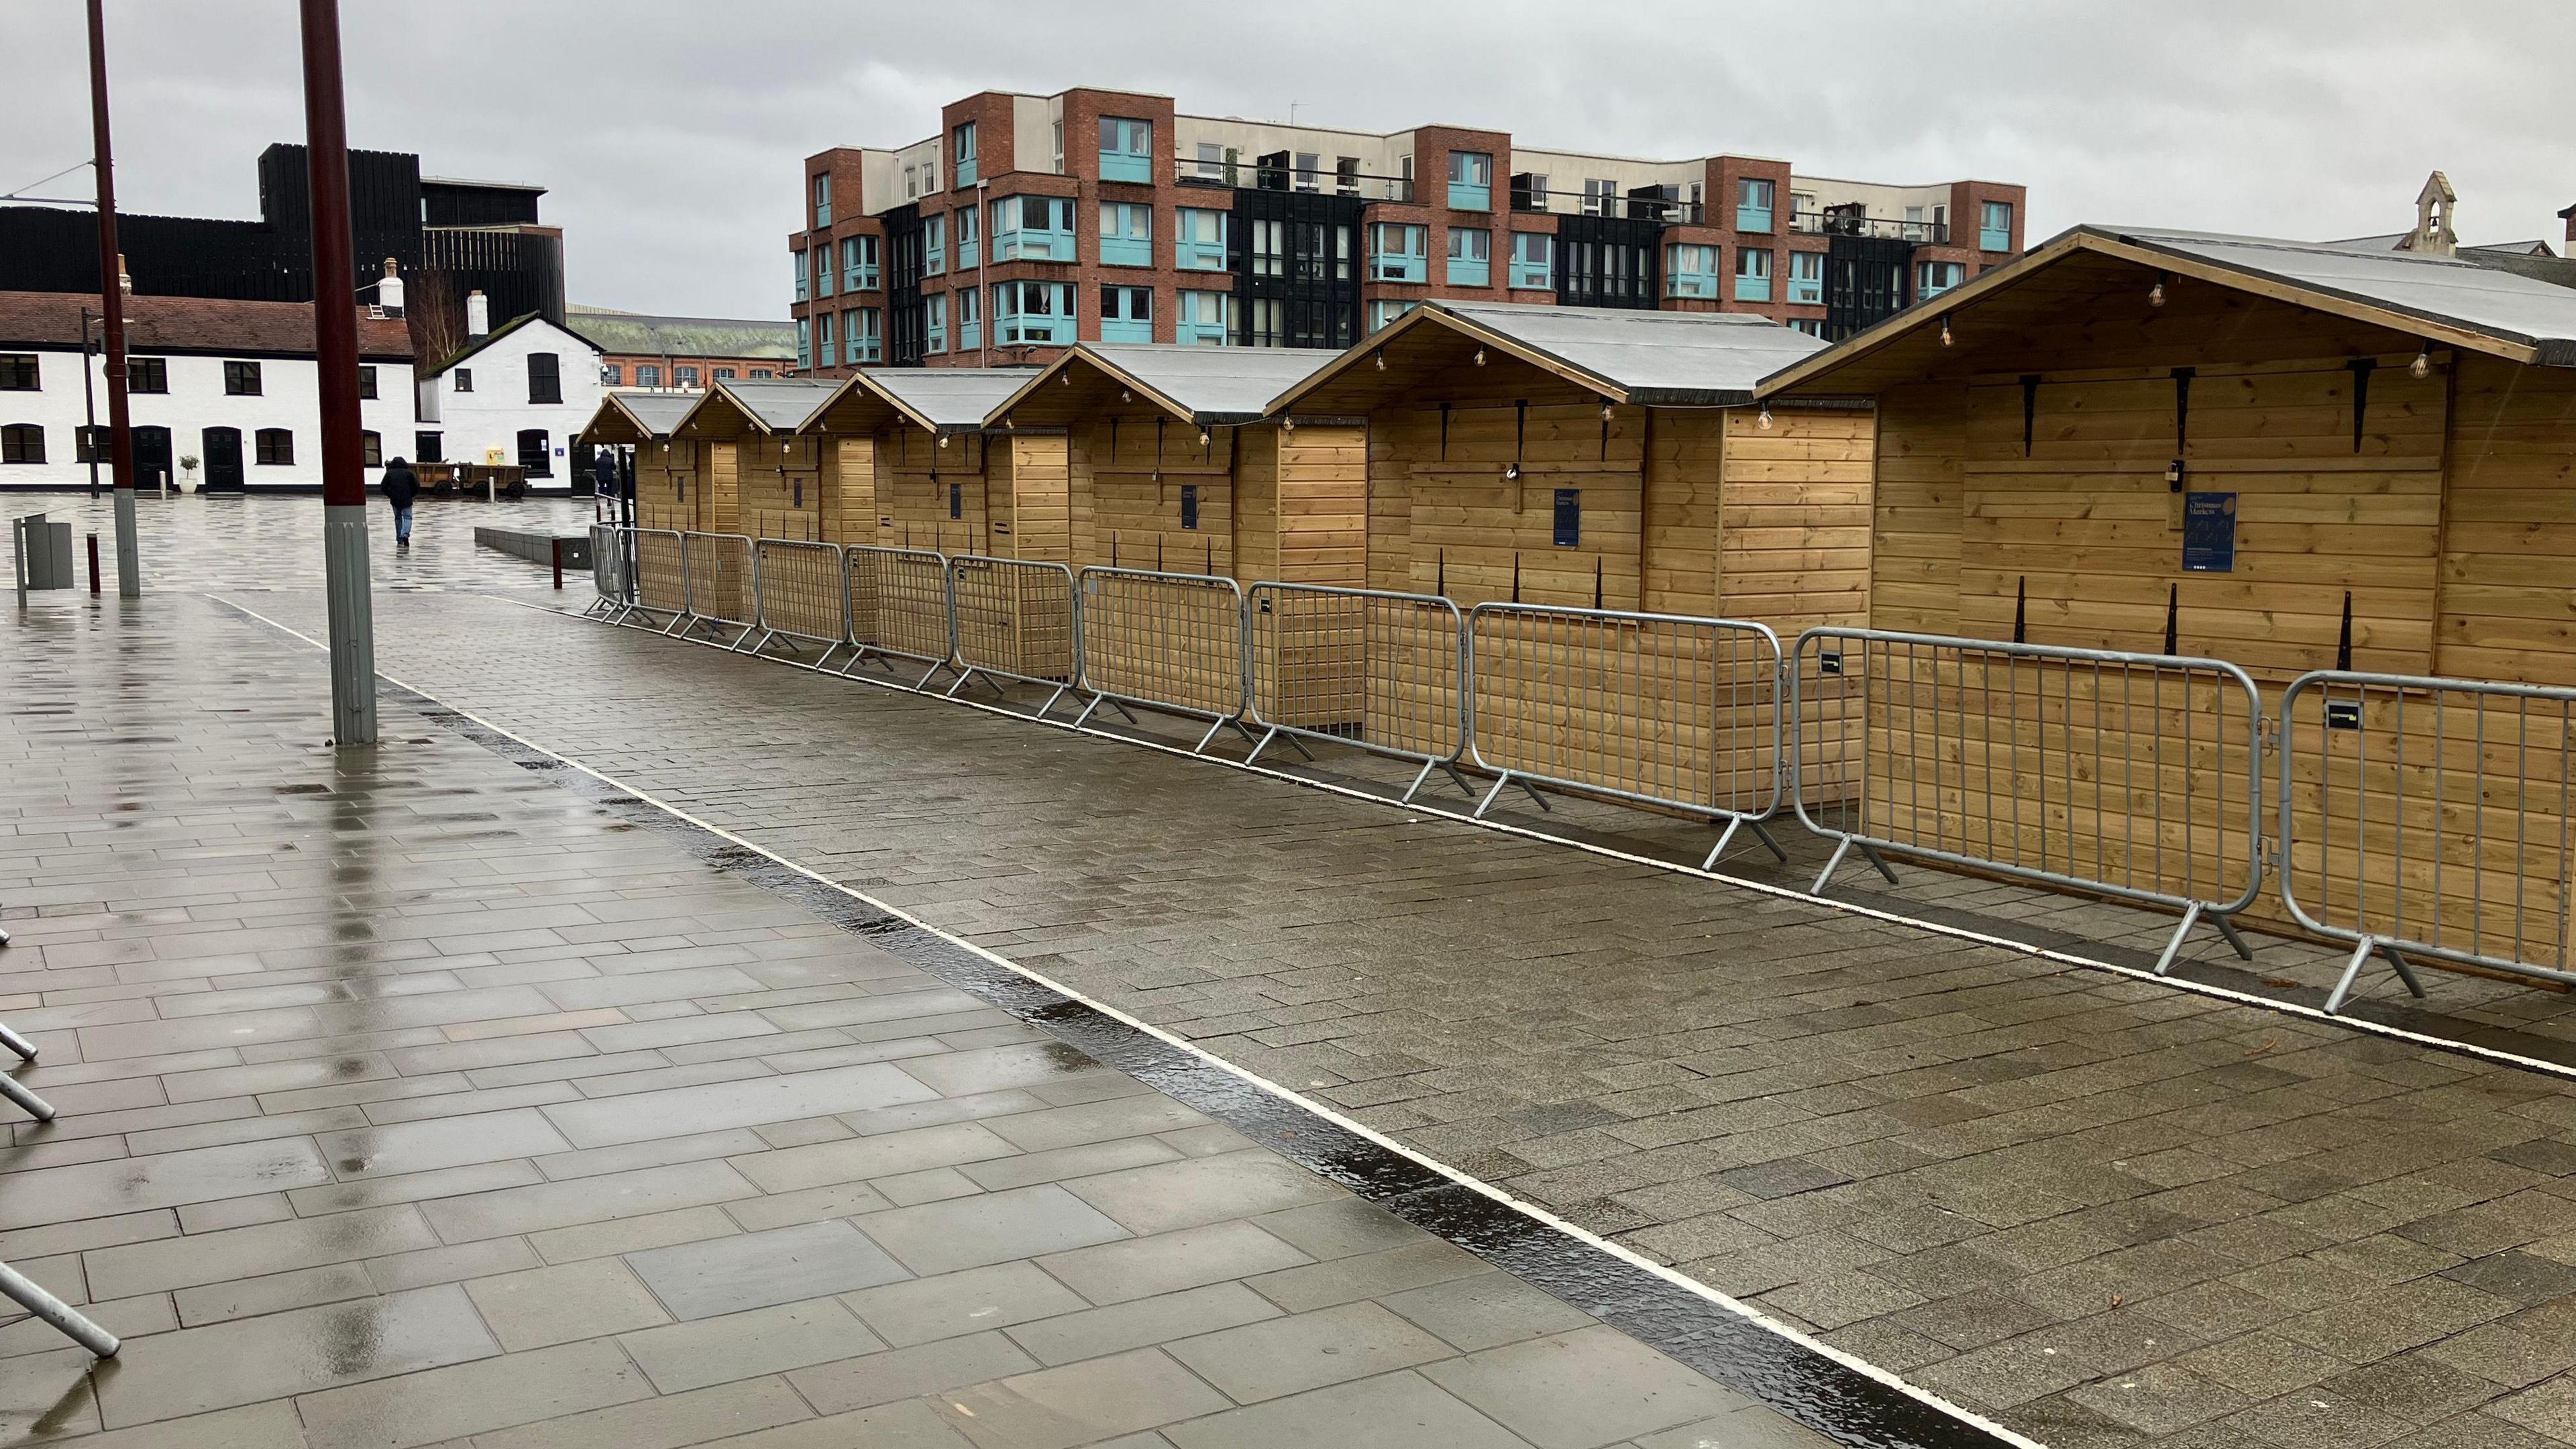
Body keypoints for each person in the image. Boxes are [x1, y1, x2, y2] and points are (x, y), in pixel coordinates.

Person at [381, 456, 420, 548]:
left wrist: (390, 494)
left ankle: (399, 539)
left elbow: (383, 487)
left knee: (398, 518)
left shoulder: (389, 474)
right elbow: (417, 486)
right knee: (408, 517)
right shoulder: (409, 473)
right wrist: (411, 495)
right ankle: (405, 534)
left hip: (395, 499)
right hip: (407, 499)